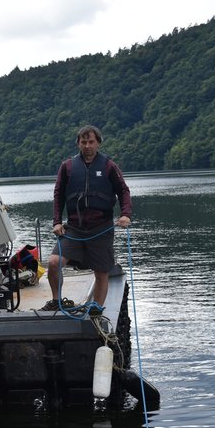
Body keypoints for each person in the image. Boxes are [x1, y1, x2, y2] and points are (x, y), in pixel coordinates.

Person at [42, 125, 132, 316]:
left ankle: (96, 309)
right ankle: (57, 301)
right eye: (84, 142)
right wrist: (57, 222)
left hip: (101, 228)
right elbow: (58, 195)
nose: (87, 146)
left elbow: (123, 191)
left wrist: (125, 214)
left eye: (91, 142)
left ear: (98, 143)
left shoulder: (109, 166)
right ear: (78, 143)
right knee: (53, 262)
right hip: (74, 229)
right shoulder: (67, 167)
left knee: (101, 272)